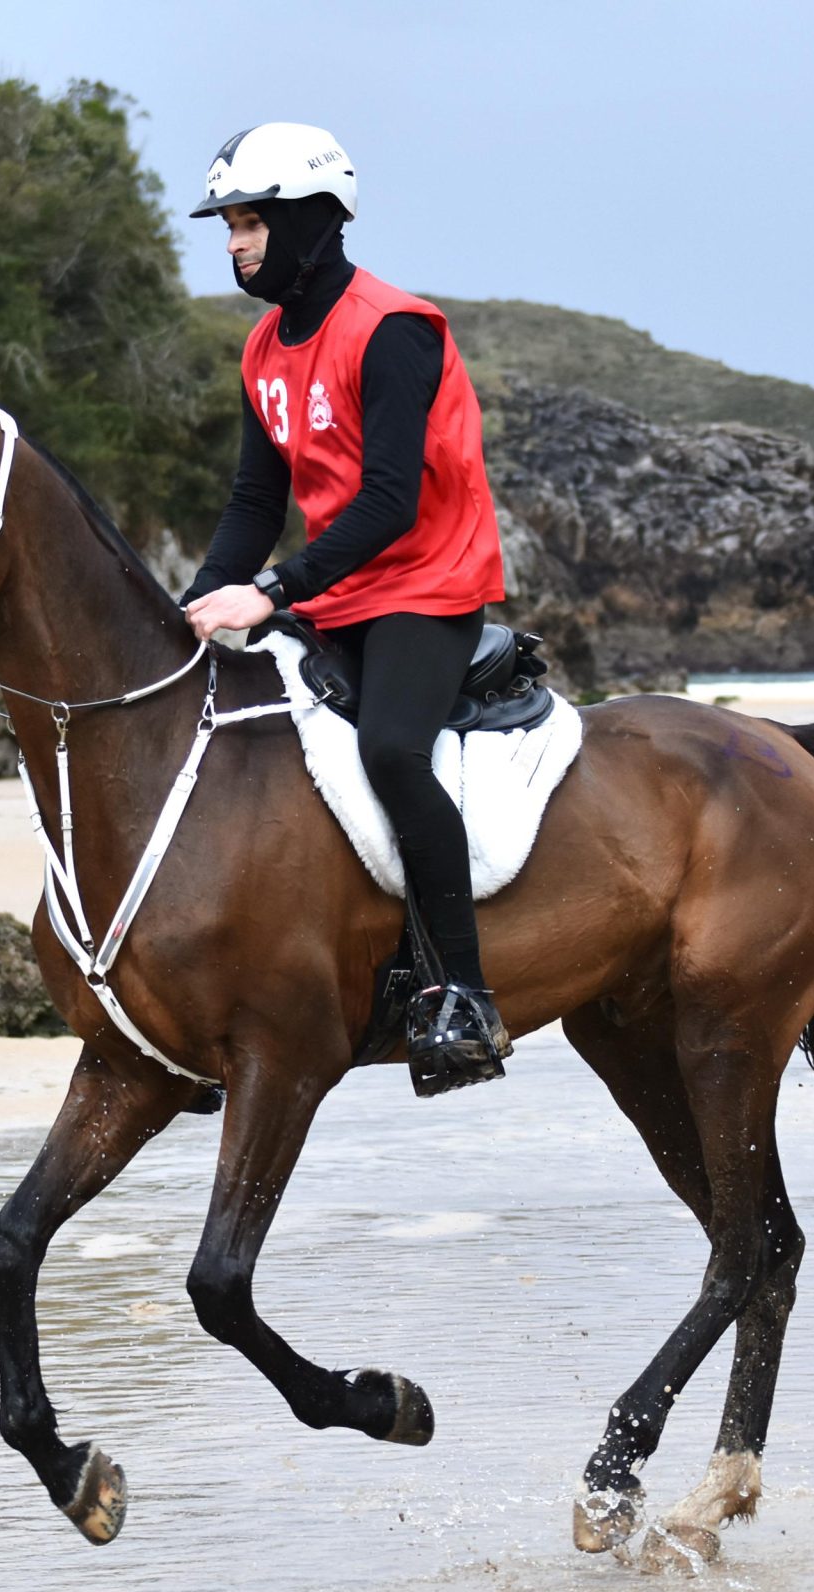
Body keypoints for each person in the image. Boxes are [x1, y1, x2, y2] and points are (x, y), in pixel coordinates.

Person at [178, 122, 512, 1095]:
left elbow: (388, 498)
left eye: (249, 222)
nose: (234, 243)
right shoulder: (259, 351)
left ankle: (465, 997)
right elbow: (253, 502)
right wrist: (198, 599)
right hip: (335, 590)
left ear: (313, 224)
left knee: (390, 751)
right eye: (229, 225)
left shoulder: (394, 328)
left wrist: (272, 589)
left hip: (425, 585)